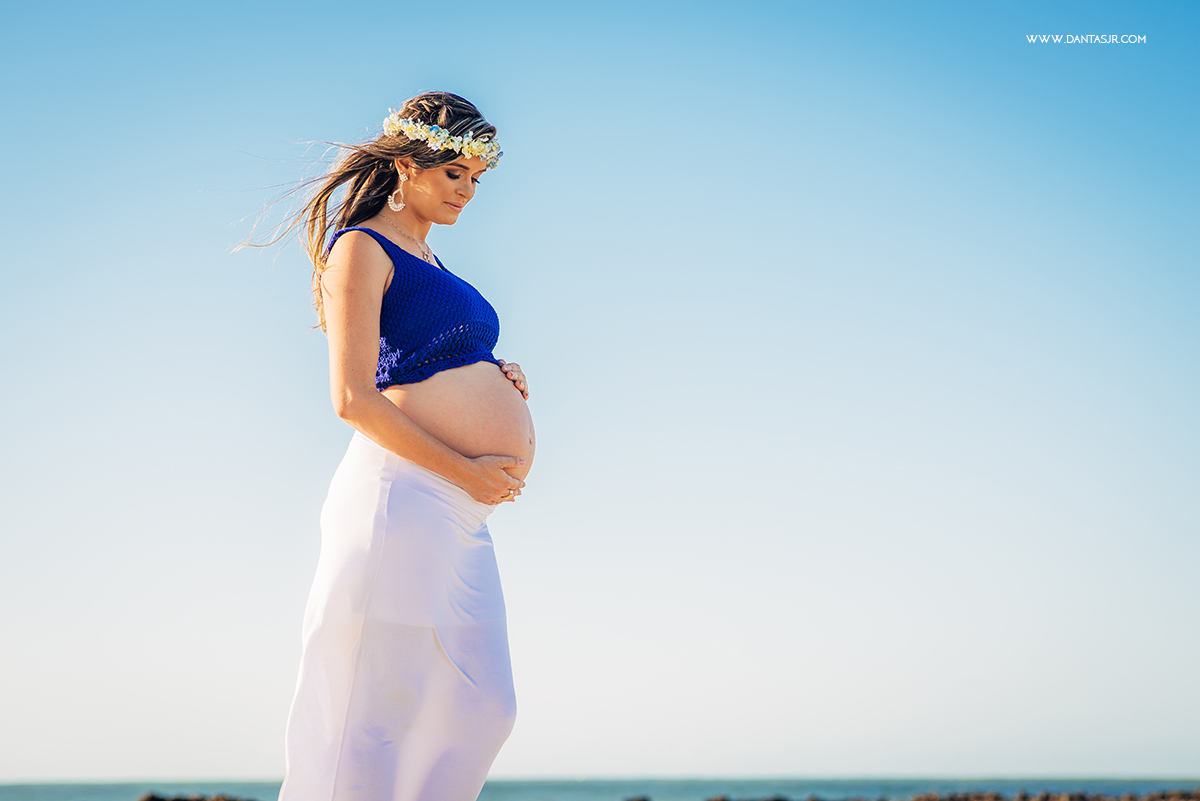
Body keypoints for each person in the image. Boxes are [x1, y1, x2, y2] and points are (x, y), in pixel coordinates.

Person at [273, 91, 534, 801]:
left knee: (486, 705)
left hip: (459, 508)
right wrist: (466, 466)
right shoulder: (360, 248)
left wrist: (496, 371)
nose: (467, 192)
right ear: (402, 163)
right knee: (375, 716)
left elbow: (427, 355)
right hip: (403, 492)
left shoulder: (433, 260)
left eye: (476, 180)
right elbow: (352, 397)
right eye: (454, 174)